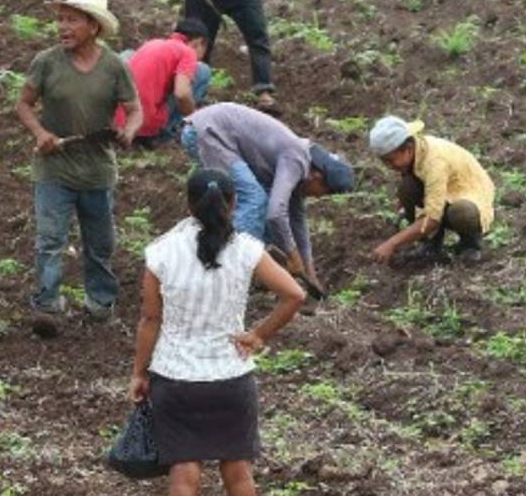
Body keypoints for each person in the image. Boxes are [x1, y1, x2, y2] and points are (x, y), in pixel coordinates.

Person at [129, 168, 305, 496]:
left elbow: (150, 319)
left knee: (184, 474)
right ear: (232, 204)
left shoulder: (162, 252)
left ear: (188, 204)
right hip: (231, 376)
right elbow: (295, 294)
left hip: (176, 377)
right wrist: (259, 334)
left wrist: (139, 372)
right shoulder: (246, 249)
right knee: (238, 472)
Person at [15, 0, 142, 324]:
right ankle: (47, 305)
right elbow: (24, 103)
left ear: (93, 26)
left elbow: (134, 110)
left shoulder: (114, 67)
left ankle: (101, 304)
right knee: (50, 239)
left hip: (97, 169)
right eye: (60, 20)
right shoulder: (46, 62)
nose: (63, 28)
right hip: (53, 168)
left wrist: (128, 133)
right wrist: (41, 133)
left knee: (99, 243)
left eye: (72, 21)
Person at [179, 102, 354, 298]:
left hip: (215, 134)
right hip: (208, 132)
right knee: (255, 199)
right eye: (322, 192)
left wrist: (309, 273)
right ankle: (230, 271)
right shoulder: (296, 158)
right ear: (318, 176)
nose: (317, 196)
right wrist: (291, 255)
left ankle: (240, 263)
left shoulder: (301, 167)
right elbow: (275, 213)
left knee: (265, 214)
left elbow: (296, 221)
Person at [368, 116, 495, 265]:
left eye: (390, 160)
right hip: (445, 193)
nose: (388, 166)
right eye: (384, 161)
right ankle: (431, 245)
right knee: (407, 189)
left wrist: (392, 243)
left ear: (407, 149)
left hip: (470, 195)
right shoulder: (417, 148)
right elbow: (415, 180)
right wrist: (404, 205)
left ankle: (471, 245)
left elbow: (432, 219)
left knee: (462, 212)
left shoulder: (435, 162)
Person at [115, 17, 212, 147]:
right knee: (203, 71)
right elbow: (182, 93)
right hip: (145, 124)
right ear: (199, 43)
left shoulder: (153, 43)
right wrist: (194, 119)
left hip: (122, 121)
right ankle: (165, 133)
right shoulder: (188, 52)